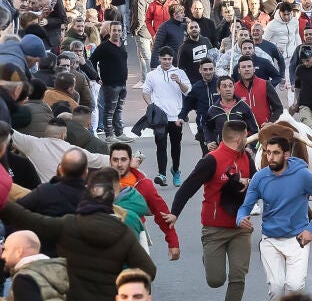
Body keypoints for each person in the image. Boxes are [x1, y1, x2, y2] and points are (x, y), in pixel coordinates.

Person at [0, 168, 156, 301]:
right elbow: (148, 269)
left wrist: (3, 203)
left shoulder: (69, 225)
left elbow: (28, 219)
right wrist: (122, 292)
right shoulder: (123, 233)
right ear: (111, 201)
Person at [167, 121, 256, 301]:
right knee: (216, 280)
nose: (248, 138)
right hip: (214, 228)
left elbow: (259, 185)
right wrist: (174, 214)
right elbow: (188, 187)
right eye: (246, 135)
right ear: (238, 138)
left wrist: (249, 185)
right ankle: (209, 259)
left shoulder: (247, 158)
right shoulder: (212, 160)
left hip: (240, 228)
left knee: (238, 277)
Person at [237, 136, 312, 301]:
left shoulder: (302, 175)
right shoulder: (260, 178)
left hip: (297, 240)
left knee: (294, 288)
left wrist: (311, 229)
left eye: (276, 153)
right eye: (268, 152)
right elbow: (245, 207)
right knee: (276, 288)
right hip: (270, 240)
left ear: (286, 155)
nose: (270, 157)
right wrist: (240, 218)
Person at [109, 143, 180, 261]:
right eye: (115, 160)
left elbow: (161, 213)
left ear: (130, 160)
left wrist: (173, 242)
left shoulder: (144, 184)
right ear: (109, 161)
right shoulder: (99, 182)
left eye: (123, 159)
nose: (119, 164)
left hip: (135, 235)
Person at [142, 46, 191, 187]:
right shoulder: (152, 75)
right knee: (161, 146)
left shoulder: (179, 72)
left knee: (176, 147)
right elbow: (145, 92)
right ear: (159, 59)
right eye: (164, 59)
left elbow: (188, 91)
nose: (167, 62)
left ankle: (176, 171)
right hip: (160, 118)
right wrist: (151, 105)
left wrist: (179, 82)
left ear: (173, 59)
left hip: (176, 117)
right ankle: (162, 174)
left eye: (169, 59)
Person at [2, 230, 68, 301]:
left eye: (6, 249)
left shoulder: (24, 278)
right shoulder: (52, 273)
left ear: (18, 251)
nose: (3, 255)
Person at [89, 21, 134, 144]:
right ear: (109, 31)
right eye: (114, 30)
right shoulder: (103, 47)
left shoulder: (122, 44)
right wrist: (96, 77)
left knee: (118, 109)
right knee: (109, 110)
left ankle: (119, 133)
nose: (117, 33)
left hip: (122, 83)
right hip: (110, 84)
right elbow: (91, 61)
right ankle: (109, 135)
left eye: (119, 30)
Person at [204, 76, 259, 148]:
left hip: (241, 150)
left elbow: (255, 130)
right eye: (224, 86)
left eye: (230, 86)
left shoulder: (243, 106)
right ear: (218, 90)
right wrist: (209, 141)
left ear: (234, 88)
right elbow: (207, 128)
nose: (228, 89)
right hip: (221, 150)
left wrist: (251, 147)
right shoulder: (213, 109)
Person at [178, 58, 219, 155]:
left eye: (210, 69)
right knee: (207, 158)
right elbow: (187, 104)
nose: (208, 72)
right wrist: (181, 117)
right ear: (200, 70)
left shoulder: (221, 84)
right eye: (205, 69)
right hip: (204, 128)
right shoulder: (196, 87)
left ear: (214, 69)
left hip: (221, 127)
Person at [234, 56, 283, 127]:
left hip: (264, 131)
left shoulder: (265, 84)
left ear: (254, 69)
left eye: (249, 66)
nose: (247, 69)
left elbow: (278, 108)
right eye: (243, 67)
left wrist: (271, 122)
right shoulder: (234, 88)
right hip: (243, 133)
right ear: (239, 70)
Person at [177, 20, 213, 84]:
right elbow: (180, 68)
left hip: (209, 79)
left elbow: (213, 57)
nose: (194, 29)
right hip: (194, 82)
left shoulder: (206, 40)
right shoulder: (183, 47)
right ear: (188, 31)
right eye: (191, 28)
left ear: (199, 29)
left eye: (196, 27)